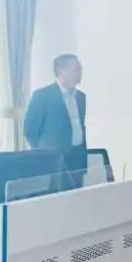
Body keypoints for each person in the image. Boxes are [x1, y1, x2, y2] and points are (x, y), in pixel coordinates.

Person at [25, 54, 88, 183]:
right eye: (76, 68)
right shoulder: (43, 96)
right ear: (62, 71)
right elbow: (30, 131)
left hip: (77, 161)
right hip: (54, 163)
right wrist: (45, 154)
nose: (80, 71)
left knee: (78, 195)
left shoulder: (81, 97)